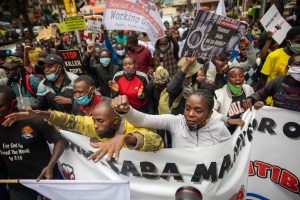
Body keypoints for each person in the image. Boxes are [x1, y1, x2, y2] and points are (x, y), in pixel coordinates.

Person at [3, 99, 164, 162]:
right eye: (94, 120)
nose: (94, 126)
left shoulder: (132, 125)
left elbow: (157, 141)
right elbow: (70, 120)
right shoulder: (93, 125)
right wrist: (40, 114)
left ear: (116, 120)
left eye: (100, 121)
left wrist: (126, 138)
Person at [0, 85, 68, 200]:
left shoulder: (33, 119)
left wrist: (50, 166)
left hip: (46, 181)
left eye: (0, 106)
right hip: (18, 185)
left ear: (13, 103)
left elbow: (60, 141)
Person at [111, 86, 231, 148]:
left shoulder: (220, 128)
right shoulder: (176, 122)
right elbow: (143, 120)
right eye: (187, 108)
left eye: (198, 111)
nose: (190, 114)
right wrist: (126, 111)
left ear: (209, 114)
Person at [212, 66, 254, 134]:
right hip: (227, 133)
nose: (238, 79)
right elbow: (210, 112)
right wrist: (227, 120)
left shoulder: (248, 89)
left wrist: (259, 103)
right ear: (227, 79)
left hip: (245, 131)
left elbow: (255, 104)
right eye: (233, 76)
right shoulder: (219, 94)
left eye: (241, 76)